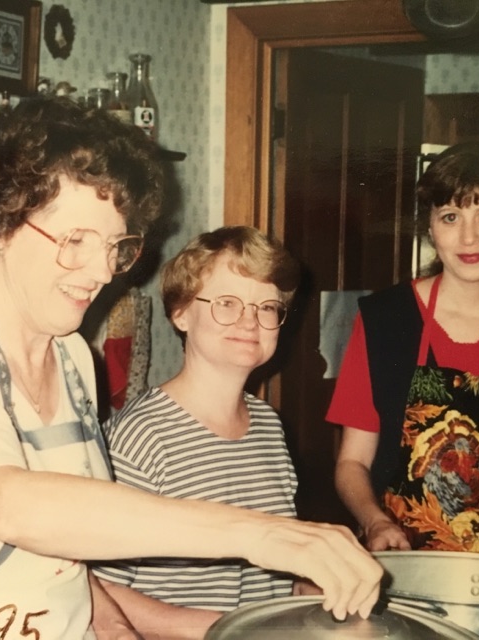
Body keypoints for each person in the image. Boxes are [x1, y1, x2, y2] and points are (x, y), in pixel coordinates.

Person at [0, 96, 382, 640]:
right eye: (76, 241)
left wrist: (116, 627)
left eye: (114, 246)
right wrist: (263, 535)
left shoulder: (73, 357)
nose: (104, 271)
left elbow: (71, 555)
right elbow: (13, 507)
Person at [327, 141, 479, 562]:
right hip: (409, 561)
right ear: (430, 227)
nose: (468, 237)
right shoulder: (386, 319)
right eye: (450, 217)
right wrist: (375, 521)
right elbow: (353, 463)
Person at [93, 226, 317, 638]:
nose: (249, 321)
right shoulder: (141, 437)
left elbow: (268, 570)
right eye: (227, 303)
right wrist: (226, 629)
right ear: (181, 313)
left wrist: (304, 588)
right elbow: (98, 589)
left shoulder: (269, 426)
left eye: (267, 307)